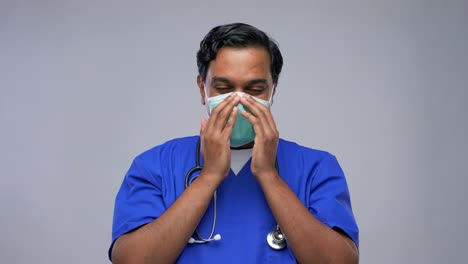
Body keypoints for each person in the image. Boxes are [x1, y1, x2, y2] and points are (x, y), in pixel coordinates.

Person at [109, 22, 359, 263]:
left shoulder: (316, 168)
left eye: (254, 89)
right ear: (202, 88)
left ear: (273, 90)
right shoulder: (155, 166)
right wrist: (208, 177)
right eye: (223, 87)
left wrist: (268, 175)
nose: (238, 100)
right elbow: (131, 260)